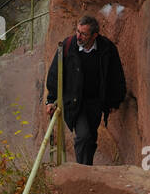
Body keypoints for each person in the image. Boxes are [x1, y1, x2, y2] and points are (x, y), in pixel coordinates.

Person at [44, 15, 126, 166]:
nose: (78, 36)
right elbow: (55, 74)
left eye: (83, 34)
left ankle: (87, 168)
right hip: (75, 101)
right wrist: (51, 100)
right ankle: (82, 170)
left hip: (96, 102)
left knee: (91, 136)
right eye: (77, 31)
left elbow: (116, 75)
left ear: (95, 35)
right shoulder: (68, 46)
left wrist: (114, 100)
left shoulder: (106, 48)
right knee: (83, 136)